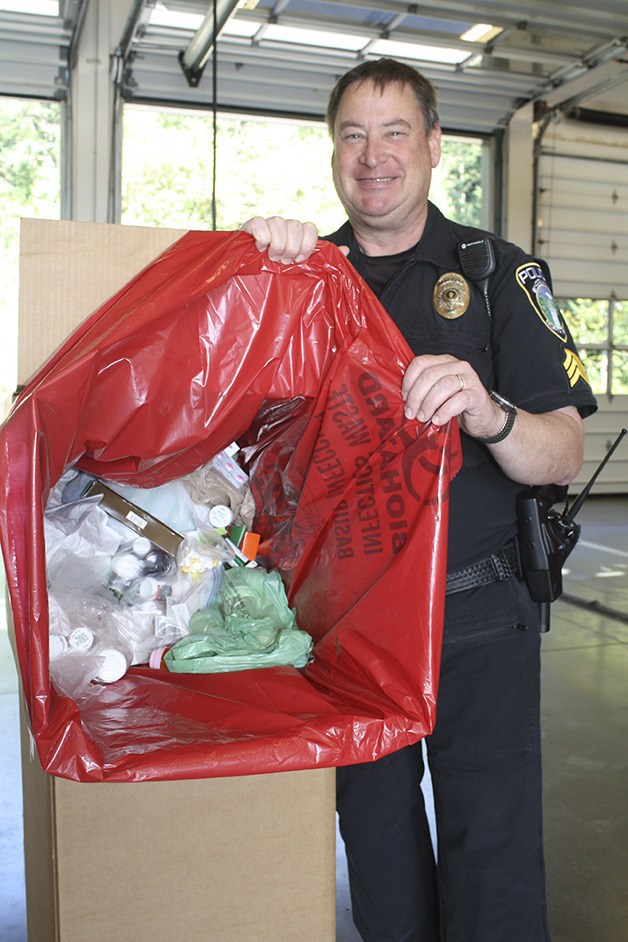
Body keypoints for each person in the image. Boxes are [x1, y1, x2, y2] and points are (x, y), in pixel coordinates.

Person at [242, 58, 597, 942]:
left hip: (480, 617)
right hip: (351, 630)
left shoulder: (499, 277)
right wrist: (254, 264)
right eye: (353, 136)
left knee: (493, 852)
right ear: (334, 154)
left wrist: (490, 410)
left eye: (394, 132)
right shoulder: (306, 284)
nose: (374, 156)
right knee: (377, 847)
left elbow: (561, 451)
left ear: (434, 146)